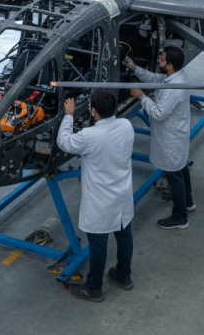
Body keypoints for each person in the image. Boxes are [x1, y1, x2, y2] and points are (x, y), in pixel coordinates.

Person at [57, 89, 135, 302]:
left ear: (93, 111)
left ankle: (93, 289)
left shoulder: (89, 136)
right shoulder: (126, 125)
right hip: (122, 196)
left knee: (98, 244)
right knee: (124, 236)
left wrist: (69, 115)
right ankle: (124, 276)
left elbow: (64, 142)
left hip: (101, 202)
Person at [124, 46, 193, 229]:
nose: (159, 61)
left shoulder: (172, 89)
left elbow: (158, 113)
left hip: (171, 139)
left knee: (174, 176)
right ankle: (188, 202)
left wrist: (142, 97)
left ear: (170, 66)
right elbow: (156, 78)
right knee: (181, 168)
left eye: (162, 60)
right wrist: (135, 68)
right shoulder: (177, 75)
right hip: (177, 134)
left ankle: (180, 217)